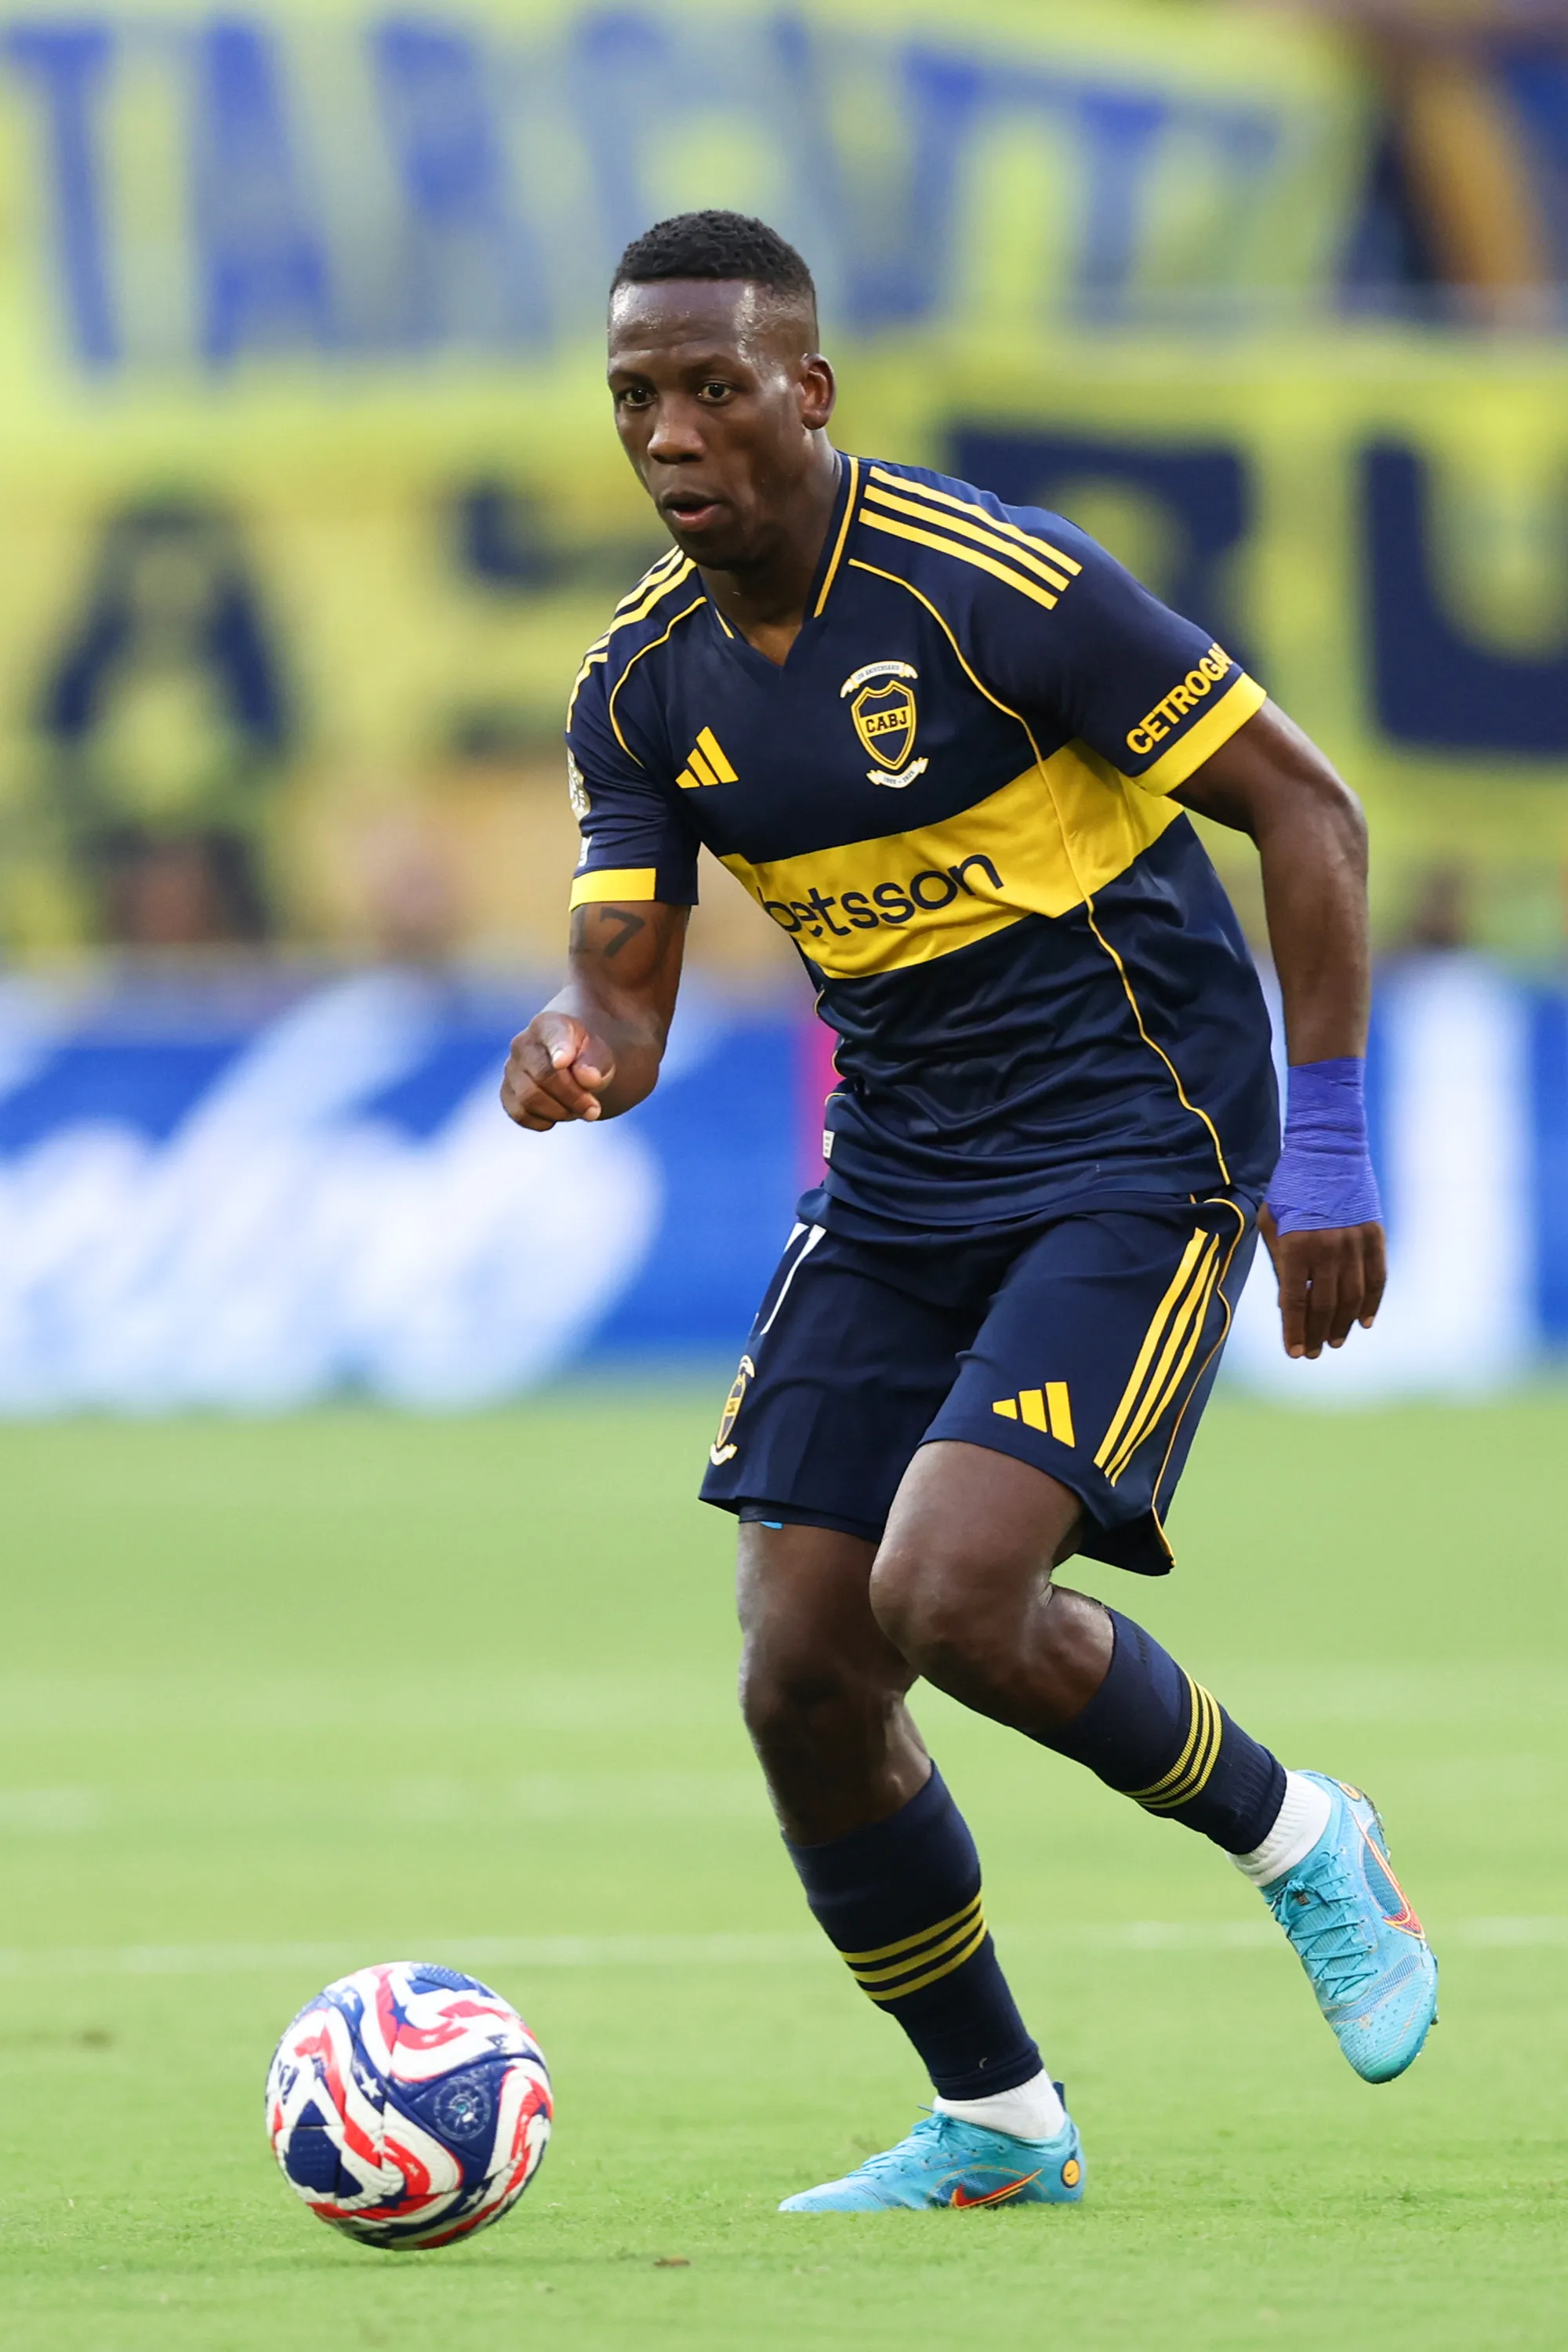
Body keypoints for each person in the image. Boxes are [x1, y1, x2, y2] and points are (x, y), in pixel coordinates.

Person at [501, 210, 1437, 2213]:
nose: (669, 435)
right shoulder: (639, 689)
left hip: (1137, 1137)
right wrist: (569, 1047)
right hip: (906, 1174)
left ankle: (1304, 1839)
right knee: (803, 1671)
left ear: (808, 393)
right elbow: (623, 990)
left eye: (711, 388)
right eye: (635, 399)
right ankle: (997, 2121)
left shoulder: (991, 587)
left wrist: (1334, 1146)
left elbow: (1311, 811)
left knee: (947, 1596)